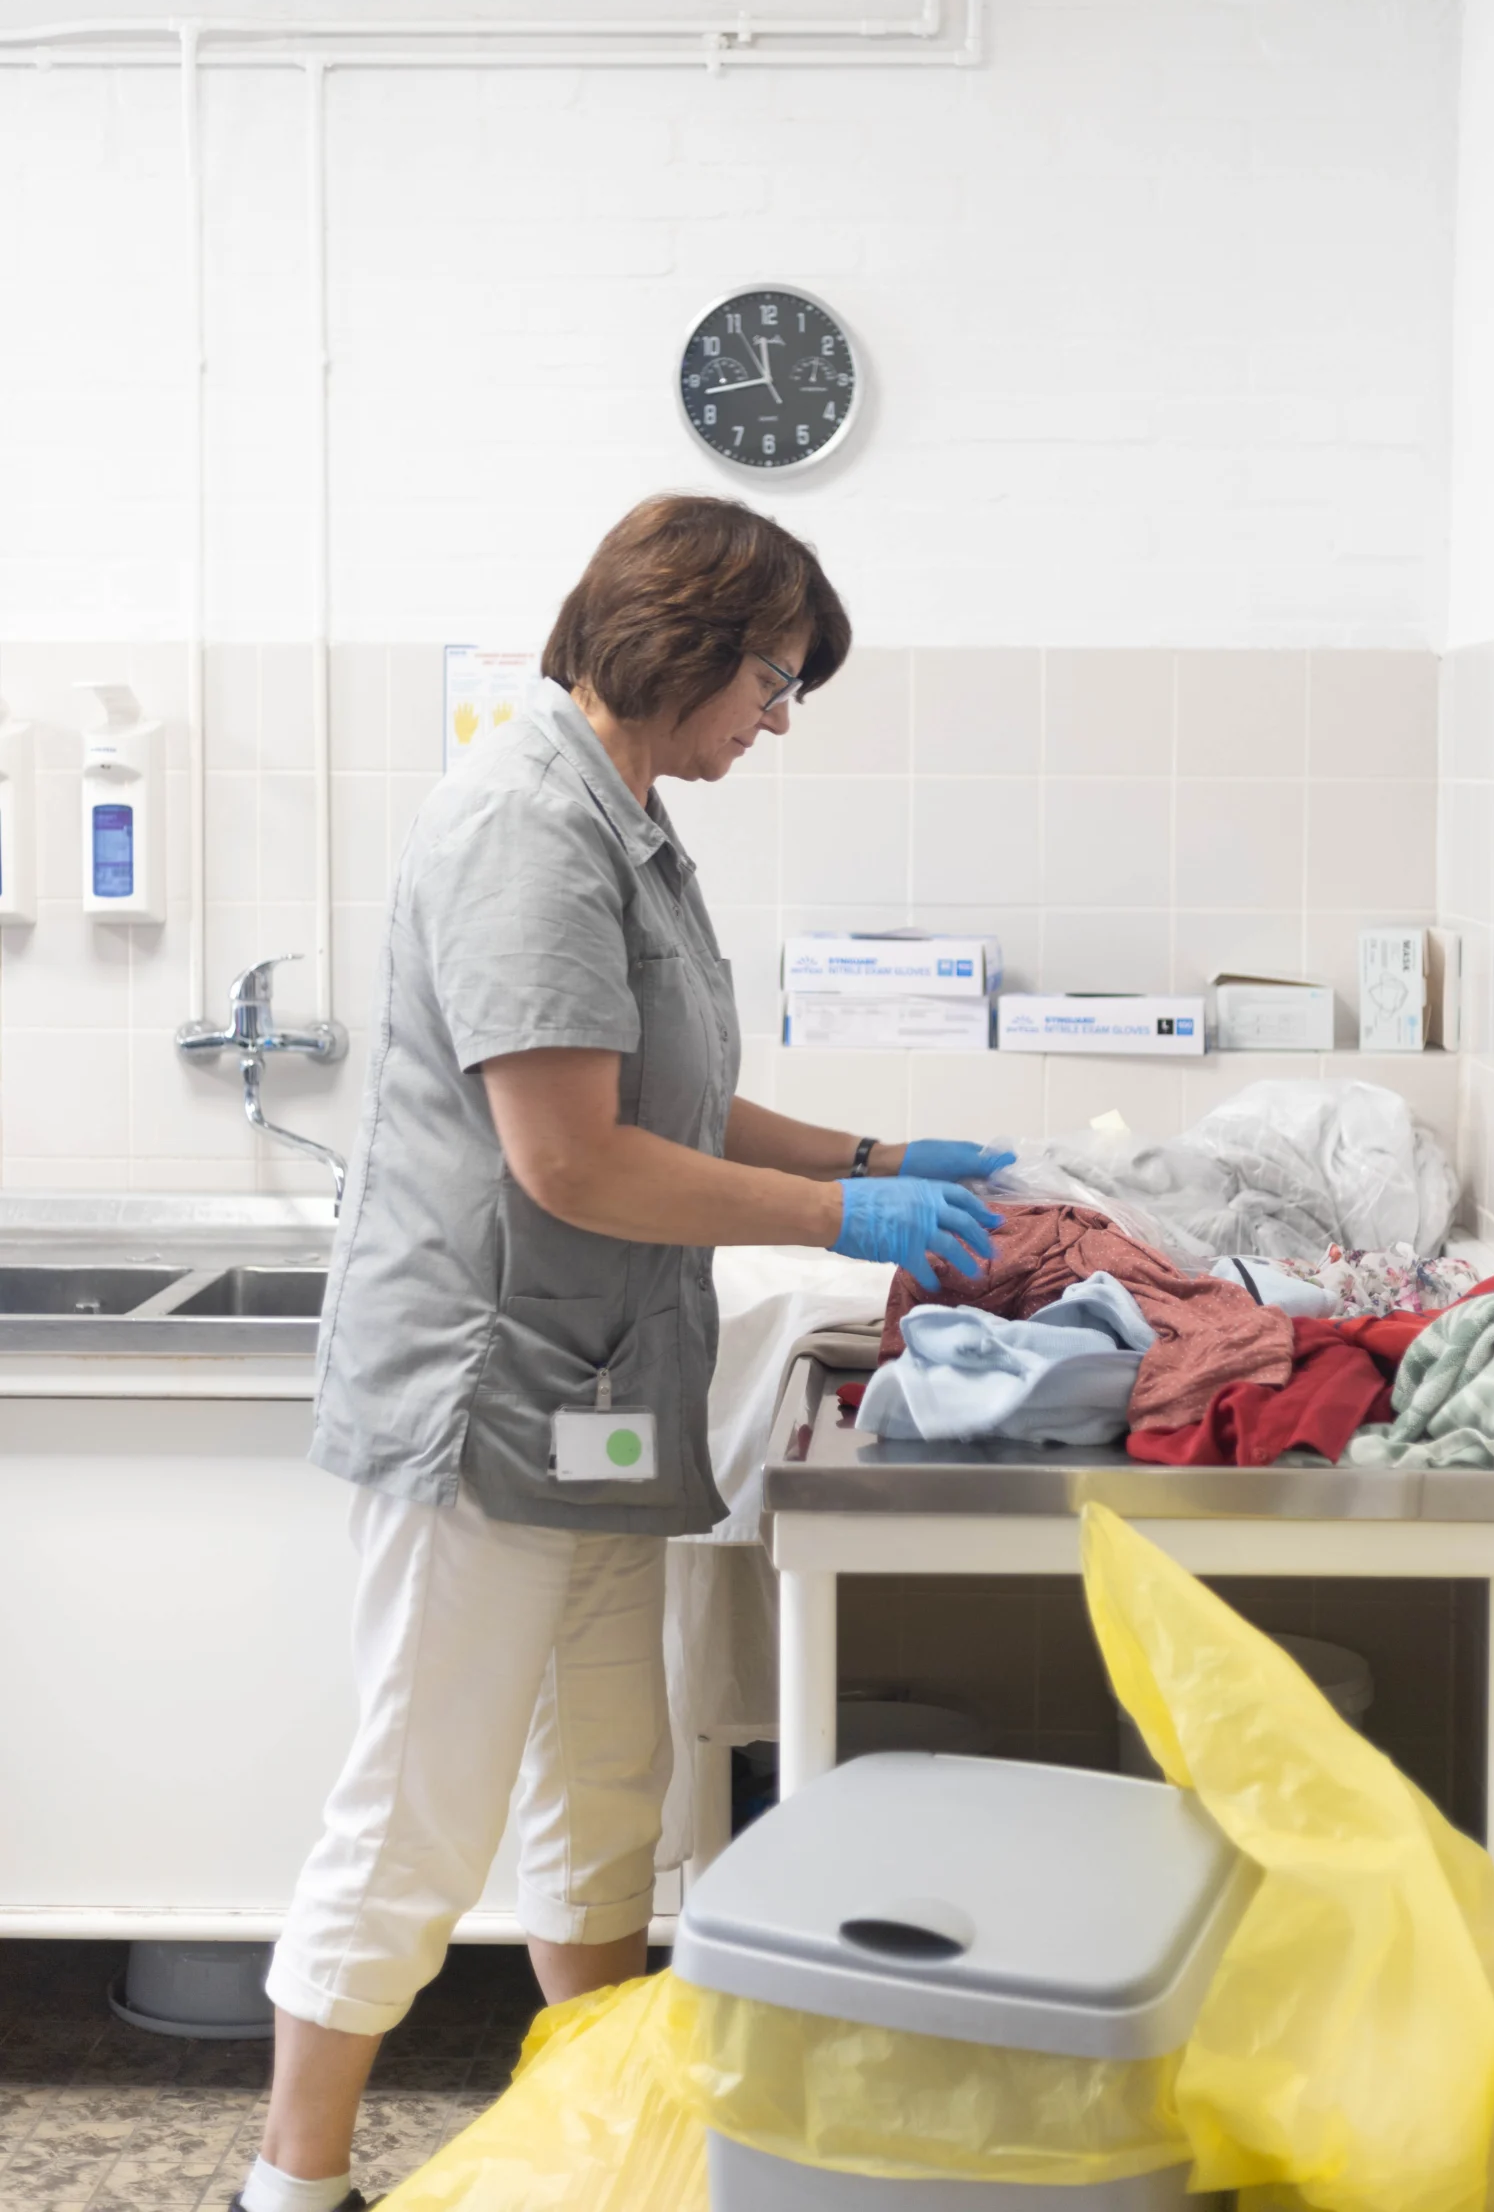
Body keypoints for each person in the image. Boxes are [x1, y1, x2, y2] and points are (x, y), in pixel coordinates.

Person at [234, 494, 1012, 2212]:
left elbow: (657, 1089)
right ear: (681, 643)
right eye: (772, 678)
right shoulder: (526, 823)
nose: (777, 719)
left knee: (605, 1778)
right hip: (485, 1394)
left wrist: (870, 1161)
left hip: (592, 1392)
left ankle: (596, 2138)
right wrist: (834, 1230)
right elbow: (570, 1157)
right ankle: (291, 2184)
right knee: (417, 1812)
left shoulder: (629, 820)